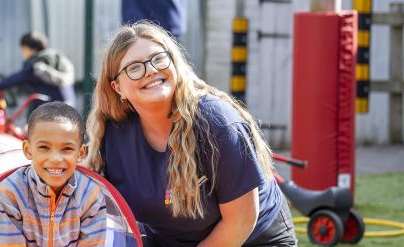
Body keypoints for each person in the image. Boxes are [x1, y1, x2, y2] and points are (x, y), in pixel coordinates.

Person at [84, 22, 296, 246]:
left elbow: (241, 221)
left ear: (174, 64)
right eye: (134, 68)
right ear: (118, 88)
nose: (151, 70)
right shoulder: (112, 134)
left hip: (251, 239)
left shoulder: (216, 123)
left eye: (158, 58)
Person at [0, 102, 107, 247]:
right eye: (44, 147)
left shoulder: (90, 196)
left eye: (67, 148)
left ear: (80, 153)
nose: (55, 159)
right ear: (28, 150)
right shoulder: (11, 191)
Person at [0, 32, 76, 110]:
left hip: (52, 107)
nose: (23, 54)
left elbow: (19, 77)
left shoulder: (36, 64)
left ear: (31, 49)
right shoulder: (54, 56)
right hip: (69, 102)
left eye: (23, 50)